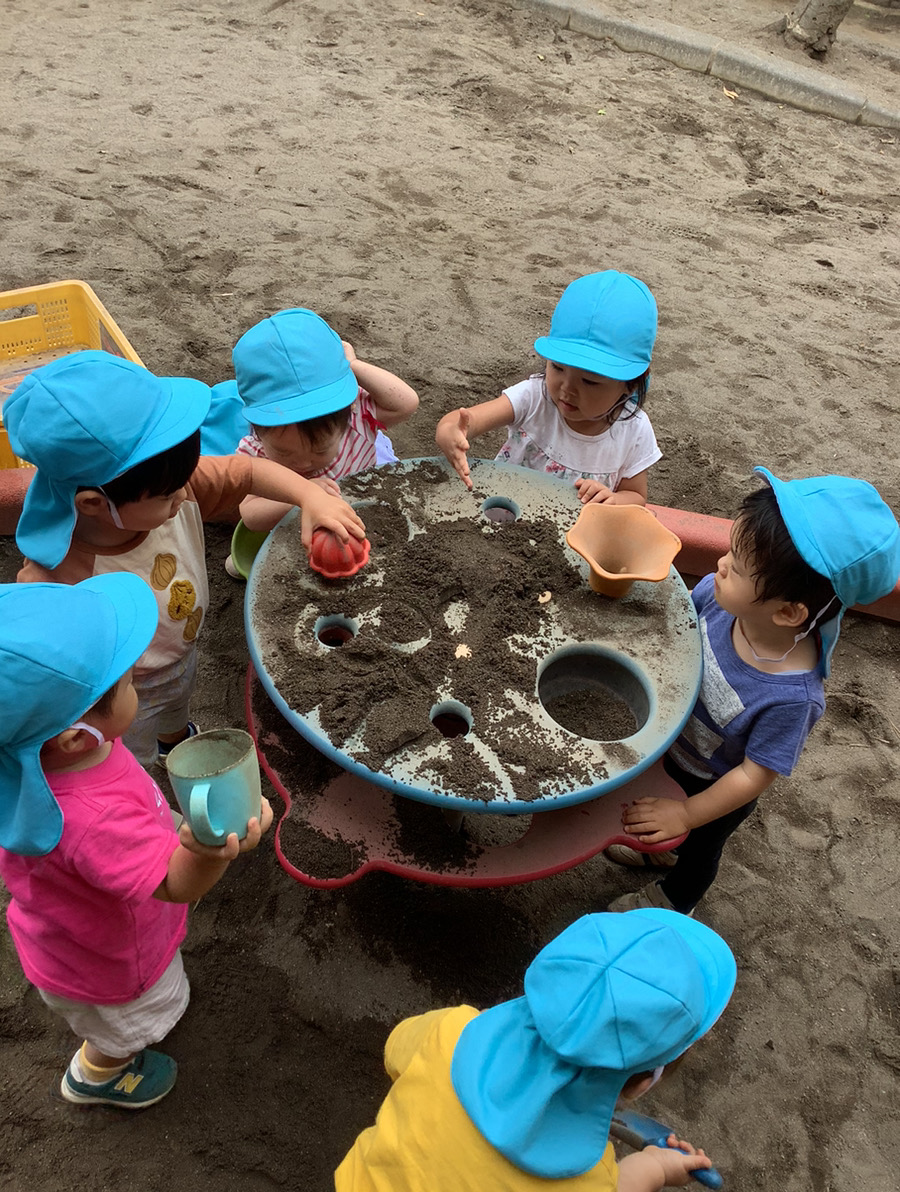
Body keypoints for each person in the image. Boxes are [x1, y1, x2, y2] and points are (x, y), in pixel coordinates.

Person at [3, 350, 366, 767]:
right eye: (166, 496)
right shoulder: (55, 579)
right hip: (124, 691)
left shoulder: (169, 481)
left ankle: (175, 738)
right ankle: (148, 764)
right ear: (91, 503)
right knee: (131, 750)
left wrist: (308, 495)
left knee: (178, 704)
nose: (184, 496)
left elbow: (247, 473)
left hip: (180, 651)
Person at [0, 574, 273, 1109]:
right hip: (111, 963)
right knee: (125, 1028)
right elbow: (173, 885)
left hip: (66, 933)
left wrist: (167, 825)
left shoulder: (35, 757)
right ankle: (98, 1075)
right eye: (127, 684)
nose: (138, 686)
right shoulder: (93, 821)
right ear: (75, 736)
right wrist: (209, 851)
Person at [607, 469, 900, 915]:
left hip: (714, 783)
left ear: (787, 612)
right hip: (672, 742)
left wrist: (687, 815)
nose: (721, 564)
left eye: (738, 567)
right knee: (658, 818)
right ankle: (658, 850)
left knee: (699, 851)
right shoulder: (716, 595)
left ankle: (673, 899)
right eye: (729, 549)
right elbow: (677, 633)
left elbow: (754, 775)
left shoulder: (792, 698)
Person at [333, 909, 736, 1192]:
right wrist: (655, 1168)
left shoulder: (451, 1031)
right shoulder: (584, 1181)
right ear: (645, 1081)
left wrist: (475, 1026)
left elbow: (395, 1051)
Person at [436, 270, 661, 505]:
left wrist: (613, 500)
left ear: (630, 385)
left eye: (590, 381)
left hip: (572, 535)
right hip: (504, 522)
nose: (567, 389)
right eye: (557, 368)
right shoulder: (534, 397)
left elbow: (635, 496)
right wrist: (450, 432)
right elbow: (463, 420)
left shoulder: (634, 431)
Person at [231, 307, 419, 535]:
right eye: (284, 453)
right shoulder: (256, 453)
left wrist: (350, 366)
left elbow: (406, 403)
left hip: (362, 509)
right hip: (300, 533)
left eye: (320, 450)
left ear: (350, 409)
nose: (302, 464)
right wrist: (301, 494)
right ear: (259, 432)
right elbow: (251, 516)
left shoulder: (357, 416)